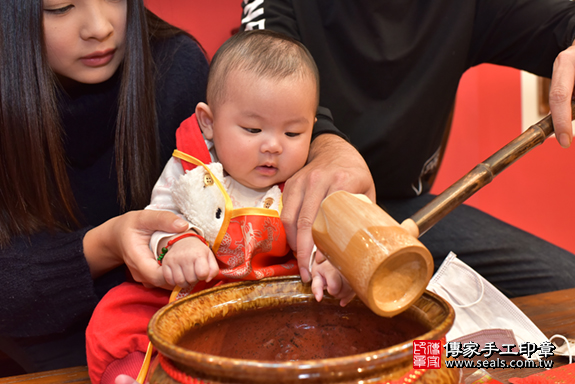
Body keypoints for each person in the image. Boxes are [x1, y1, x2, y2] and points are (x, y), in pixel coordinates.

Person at [240, 0, 575, 298]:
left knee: (566, 284)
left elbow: (561, 19)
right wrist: (324, 142)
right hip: (290, 208)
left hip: (405, 212)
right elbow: (260, 65)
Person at [85, 30, 355, 384]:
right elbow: (157, 219)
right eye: (252, 128)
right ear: (209, 123)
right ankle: (132, 374)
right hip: (192, 295)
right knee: (116, 319)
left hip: (275, 299)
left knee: (332, 325)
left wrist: (330, 265)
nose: (273, 146)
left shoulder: (305, 181)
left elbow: (323, 239)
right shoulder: (191, 169)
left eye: (293, 134)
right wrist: (177, 245)